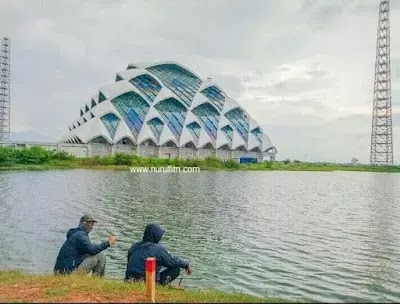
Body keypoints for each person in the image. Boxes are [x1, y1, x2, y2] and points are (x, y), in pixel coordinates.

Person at [125, 223, 192, 285]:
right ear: (156, 236)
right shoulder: (158, 249)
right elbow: (173, 261)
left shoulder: (134, 246)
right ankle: (157, 286)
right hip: (145, 282)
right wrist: (186, 264)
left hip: (128, 280)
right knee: (176, 268)